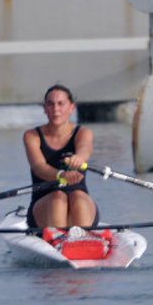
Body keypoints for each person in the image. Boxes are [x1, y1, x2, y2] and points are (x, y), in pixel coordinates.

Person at [24, 84, 99, 238]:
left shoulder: (83, 132)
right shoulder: (32, 135)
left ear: (72, 107)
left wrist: (79, 158)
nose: (55, 109)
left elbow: (84, 149)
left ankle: (83, 241)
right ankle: (60, 242)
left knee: (77, 196)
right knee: (58, 197)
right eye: (50, 104)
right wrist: (60, 175)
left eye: (61, 103)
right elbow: (39, 167)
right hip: (44, 204)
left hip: (79, 202)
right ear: (45, 108)